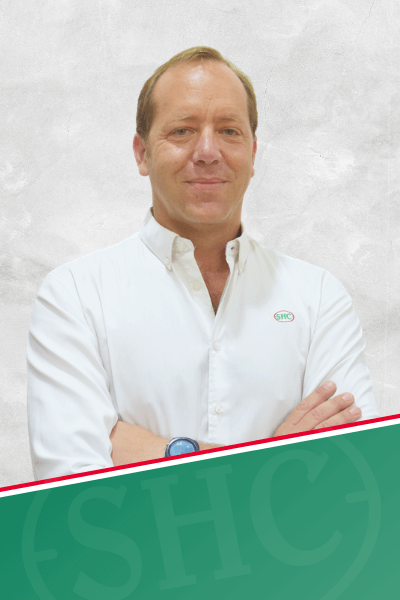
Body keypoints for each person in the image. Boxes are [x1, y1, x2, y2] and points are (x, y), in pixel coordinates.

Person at [27, 47, 379, 480]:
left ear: (253, 153)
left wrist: (149, 449)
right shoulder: (75, 296)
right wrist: (279, 465)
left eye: (229, 131)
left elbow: (354, 476)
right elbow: (72, 490)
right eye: (182, 131)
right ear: (141, 153)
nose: (208, 151)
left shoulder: (318, 298)